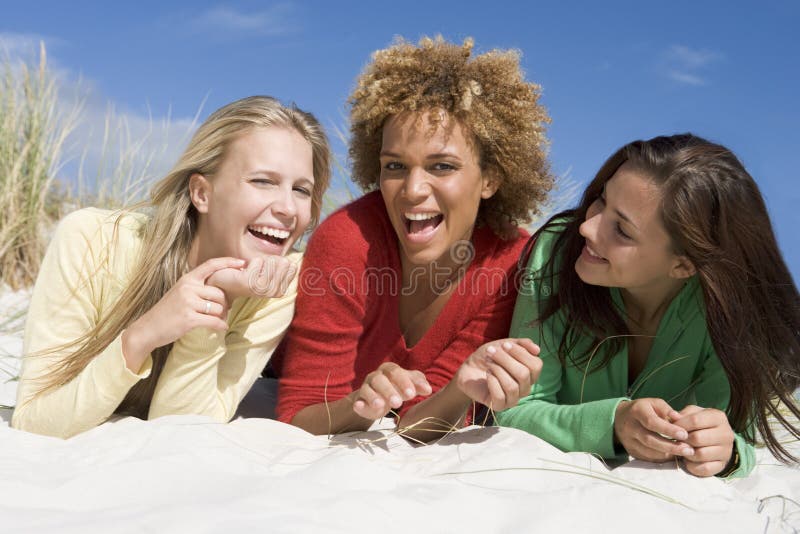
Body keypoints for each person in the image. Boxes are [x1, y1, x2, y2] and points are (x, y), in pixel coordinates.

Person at [275, 37, 552, 441]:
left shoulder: (510, 262)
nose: (413, 189)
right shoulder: (347, 240)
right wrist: (361, 405)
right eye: (395, 166)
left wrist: (460, 389)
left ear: (490, 178)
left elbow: (416, 423)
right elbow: (297, 418)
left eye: (441, 166)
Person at [12, 95, 331, 438]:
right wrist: (141, 337)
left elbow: (181, 429)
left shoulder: (282, 280)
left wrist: (214, 300)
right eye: (262, 181)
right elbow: (34, 423)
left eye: (301, 189)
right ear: (202, 193)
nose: (288, 208)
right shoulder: (90, 240)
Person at [496, 133, 800, 478]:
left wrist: (726, 453)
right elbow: (513, 411)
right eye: (600, 200)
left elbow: (735, 435)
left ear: (683, 265)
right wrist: (615, 423)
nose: (586, 227)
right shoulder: (556, 251)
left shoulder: (728, 311)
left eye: (622, 231)